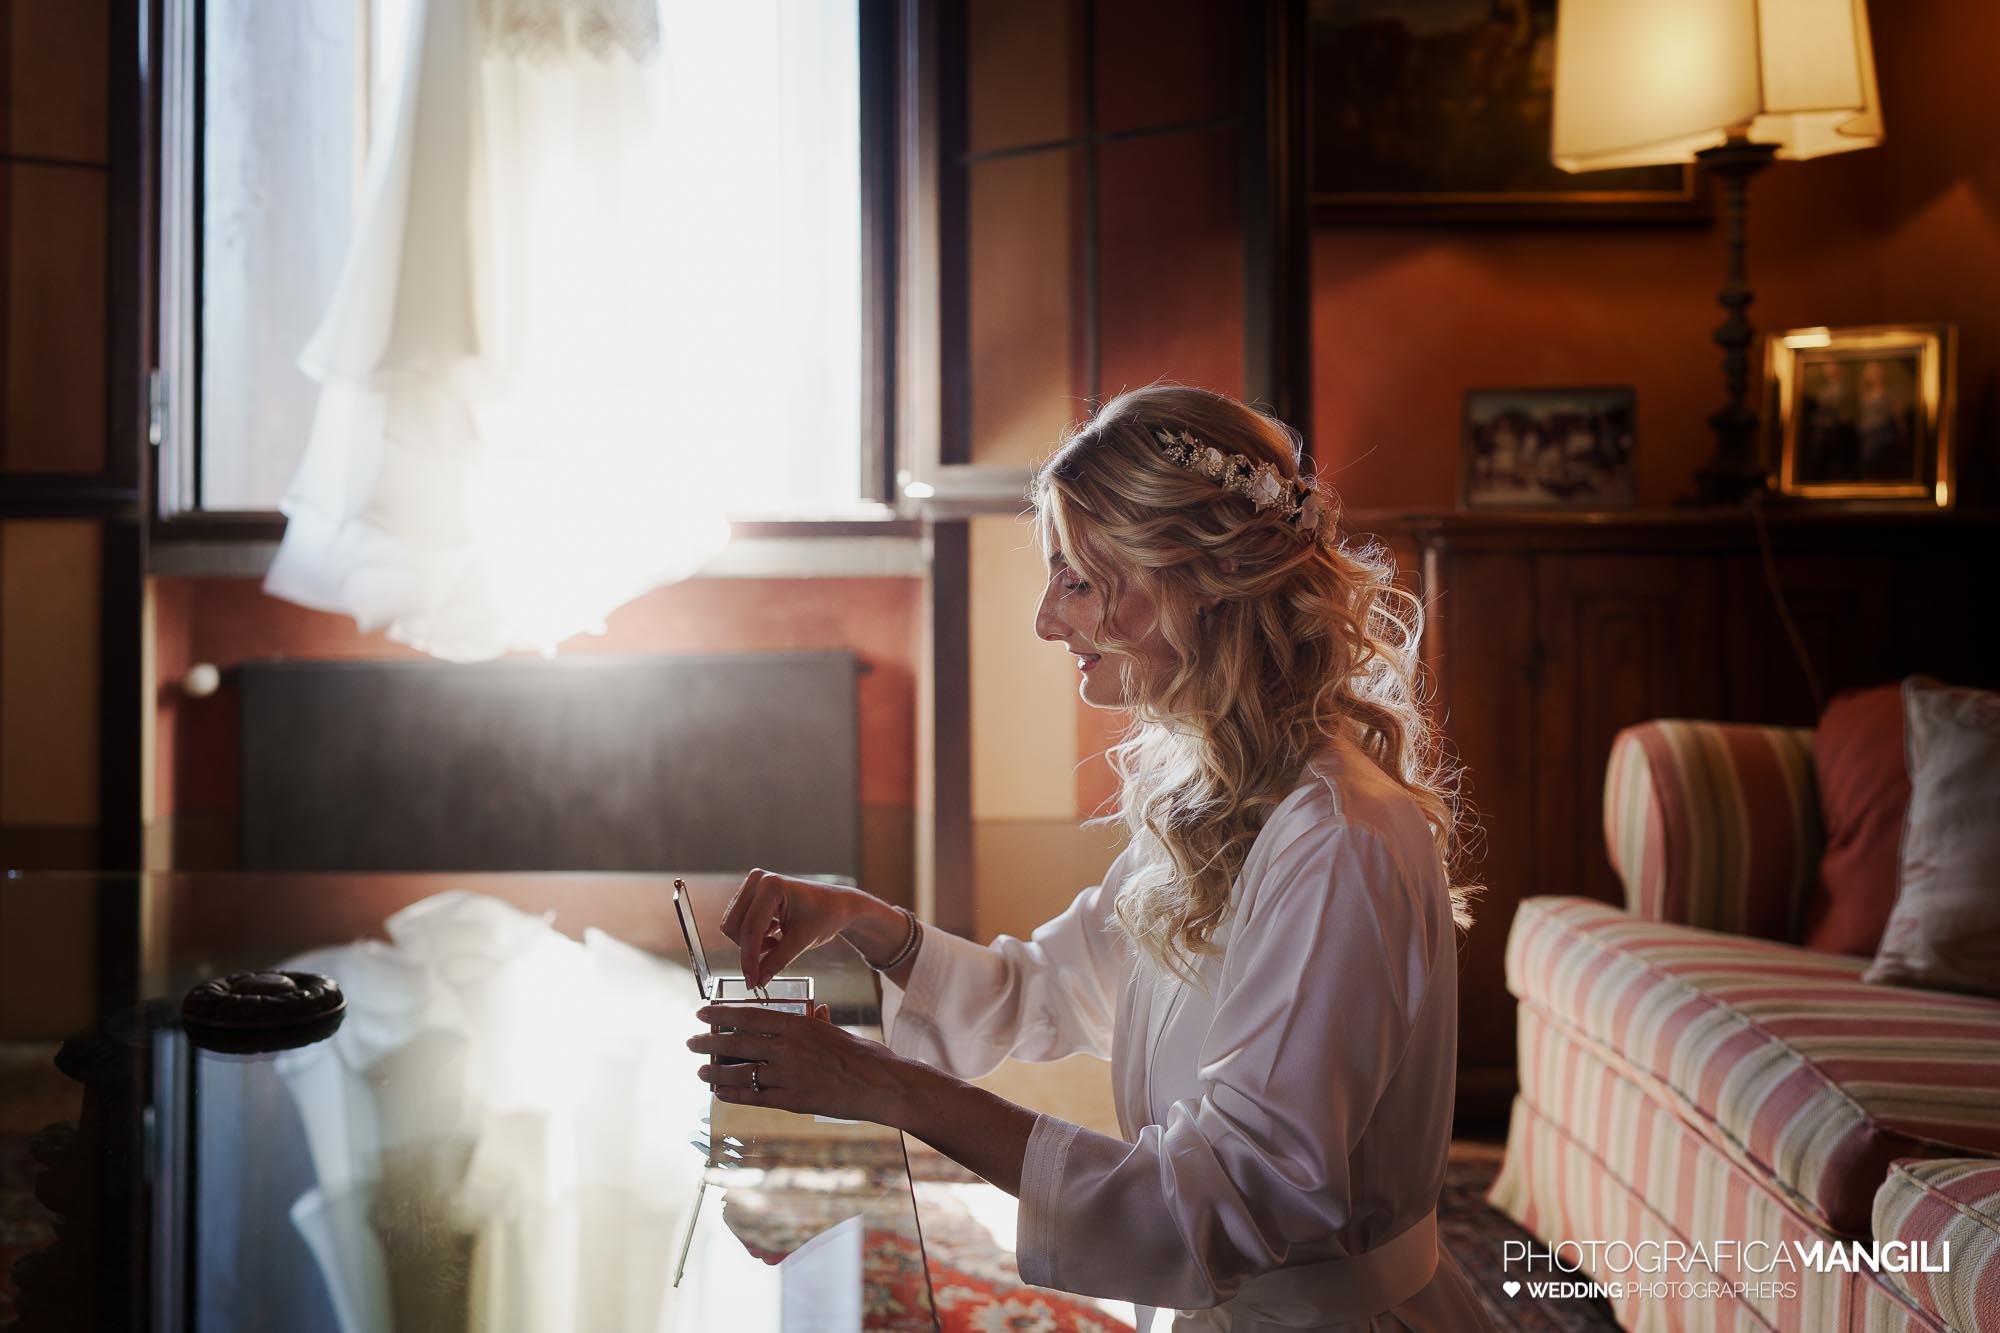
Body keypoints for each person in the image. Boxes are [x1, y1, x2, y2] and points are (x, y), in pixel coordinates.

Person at [686, 385, 1497, 1331]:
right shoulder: (1218, 797)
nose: (1044, 619)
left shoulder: (1338, 840)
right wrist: (874, 926)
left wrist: (882, 1085)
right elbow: (1048, 987)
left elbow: (1236, 1198)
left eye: (1076, 578)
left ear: (1196, 582)